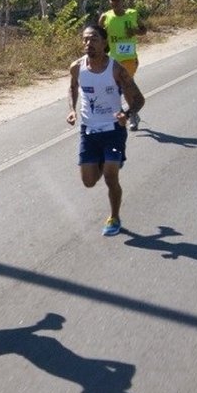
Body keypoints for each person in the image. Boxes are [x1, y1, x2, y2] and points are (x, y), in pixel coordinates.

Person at [66, 24, 146, 237]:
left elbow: (139, 99)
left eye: (93, 39)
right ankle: (103, 160)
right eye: (85, 40)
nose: (88, 44)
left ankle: (114, 217)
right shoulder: (76, 67)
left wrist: (126, 114)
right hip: (89, 131)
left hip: (113, 129)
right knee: (89, 181)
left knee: (111, 176)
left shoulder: (116, 69)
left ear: (104, 43)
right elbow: (73, 87)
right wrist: (71, 110)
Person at [97, 0, 143, 130]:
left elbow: (144, 30)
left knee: (124, 86)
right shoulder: (105, 17)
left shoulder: (132, 14)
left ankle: (132, 114)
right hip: (114, 59)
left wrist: (134, 31)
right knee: (120, 87)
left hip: (129, 59)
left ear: (123, 0)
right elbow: (99, 35)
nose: (115, 2)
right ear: (109, 1)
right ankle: (131, 111)